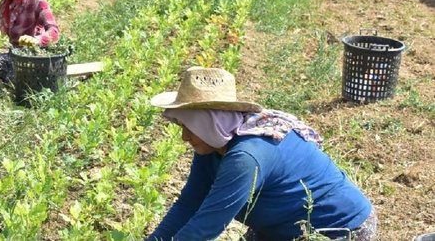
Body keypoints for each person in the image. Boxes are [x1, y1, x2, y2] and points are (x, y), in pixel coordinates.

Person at [147, 67, 377, 241]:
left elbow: (208, 224)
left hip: (341, 228)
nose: (185, 137)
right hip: (281, 228)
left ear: (210, 123)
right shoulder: (213, 145)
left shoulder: (246, 156)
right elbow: (189, 204)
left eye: (190, 127)